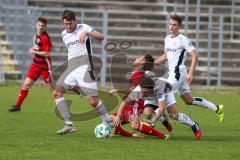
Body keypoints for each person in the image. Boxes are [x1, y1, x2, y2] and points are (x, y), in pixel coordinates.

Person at [155, 14, 224, 122]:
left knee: (163, 91)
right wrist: (152, 63)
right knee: (189, 100)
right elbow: (165, 55)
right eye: (170, 24)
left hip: (179, 72)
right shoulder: (167, 38)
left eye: (174, 25)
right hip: (172, 73)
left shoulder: (183, 39)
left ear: (179, 26)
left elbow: (195, 55)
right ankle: (217, 108)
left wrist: (190, 73)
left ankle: (152, 120)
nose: (171, 27)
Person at [53, 9, 112, 135]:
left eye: (70, 24)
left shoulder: (83, 27)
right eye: (65, 24)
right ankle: (69, 124)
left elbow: (101, 37)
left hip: (86, 67)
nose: (68, 26)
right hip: (71, 68)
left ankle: (107, 121)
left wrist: (87, 33)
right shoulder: (64, 34)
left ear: (75, 21)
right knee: (57, 93)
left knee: (93, 101)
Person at [114, 77, 201, 140]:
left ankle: (193, 125)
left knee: (174, 115)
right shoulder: (140, 90)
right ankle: (164, 119)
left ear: (150, 89)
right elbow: (124, 103)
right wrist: (118, 116)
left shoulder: (160, 90)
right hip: (151, 97)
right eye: (141, 90)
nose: (141, 93)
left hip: (167, 92)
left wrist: (154, 120)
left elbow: (162, 107)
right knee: (147, 113)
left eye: (144, 91)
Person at [110, 53, 172, 138]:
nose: (136, 58)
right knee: (110, 120)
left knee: (134, 125)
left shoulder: (138, 75)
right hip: (131, 102)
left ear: (142, 63)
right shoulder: (138, 73)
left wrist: (118, 90)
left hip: (136, 103)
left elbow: (131, 91)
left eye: (139, 58)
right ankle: (162, 119)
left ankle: (162, 134)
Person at [8, 17, 53, 112]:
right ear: (36, 25)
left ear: (45, 27)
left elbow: (47, 53)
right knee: (25, 85)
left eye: (43, 26)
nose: (40, 27)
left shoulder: (45, 38)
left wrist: (34, 51)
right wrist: (34, 50)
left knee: (53, 90)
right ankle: (17, 106)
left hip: (45, 67)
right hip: (35, 65)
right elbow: (38, 49)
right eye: (39, 25)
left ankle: (68, 93)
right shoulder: (36, 36)